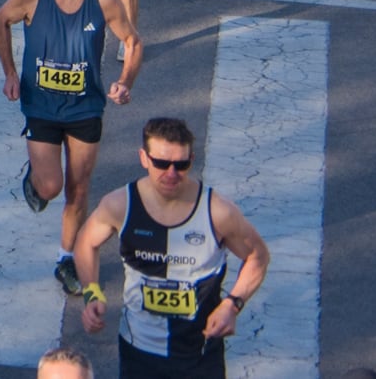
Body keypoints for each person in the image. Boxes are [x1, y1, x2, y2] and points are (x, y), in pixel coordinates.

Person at [0, 0, 142, 291]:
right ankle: (37, 180)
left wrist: (125, 83)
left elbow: (133, 42)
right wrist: (10, 73)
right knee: (51, 187)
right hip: (41, 106)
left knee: (78, 188)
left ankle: (67, 258)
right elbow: (0, 21)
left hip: (85, 109)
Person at [71, 119, 273, 379]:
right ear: (144, 158)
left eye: (181, 165)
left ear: (192, 159)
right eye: (161, 163)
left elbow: (258, 256)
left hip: (199, 351)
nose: (171, 173)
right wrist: (92, 292)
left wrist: (231, 305)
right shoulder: (120, 205)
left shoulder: (217, 211)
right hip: (138, 350)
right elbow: (86, 243)